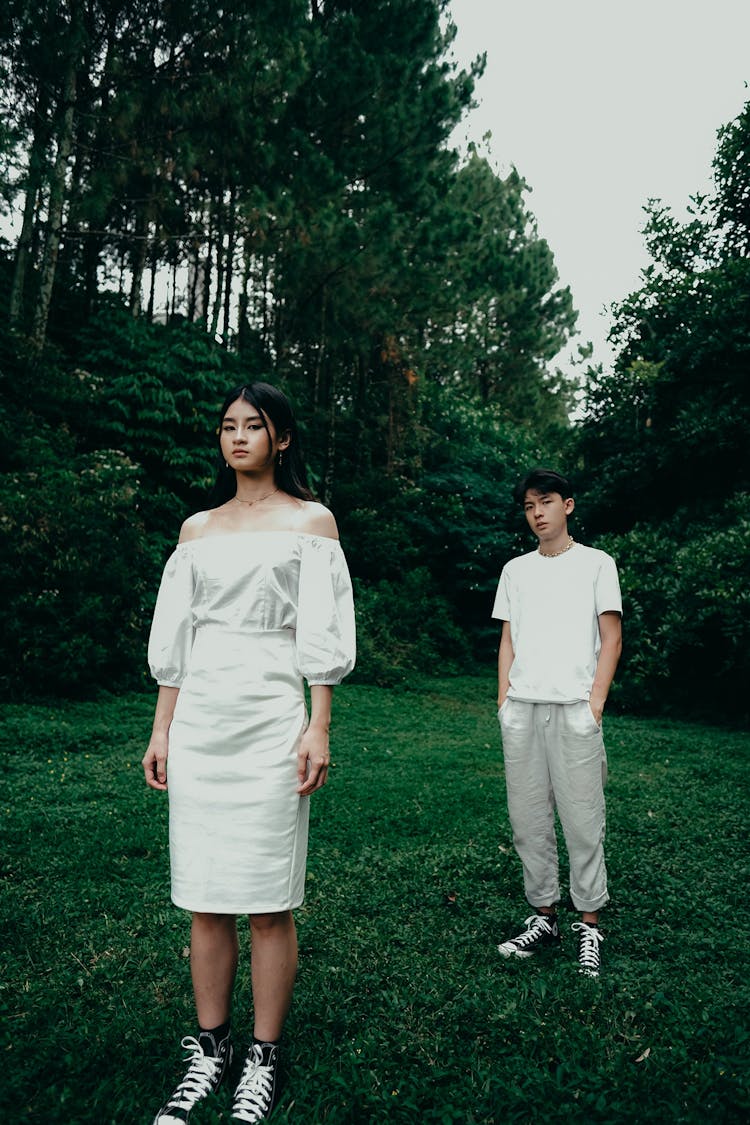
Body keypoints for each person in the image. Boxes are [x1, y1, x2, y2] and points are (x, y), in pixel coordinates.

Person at [142, 382, 356, 1124]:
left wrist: (317, 723)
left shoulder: (312, 522)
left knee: (267, 898)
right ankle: (209, 1049)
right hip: (202, 718)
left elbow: (323, 636)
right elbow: (176, 641)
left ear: (282, 438)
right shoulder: (196, 529)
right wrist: (163, 728)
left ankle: (261, 1058)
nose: (238, 437)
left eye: (253, 426)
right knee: (204, 895)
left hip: (272, 715)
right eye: (228, 426)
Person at [492, 468, 622, 977]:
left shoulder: (596, 564)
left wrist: (594, 705)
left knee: (582, 817)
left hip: (574, 709)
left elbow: (610, 637)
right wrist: (504, 699)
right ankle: (543, 914)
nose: (537, 513)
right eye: (528, 506)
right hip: (522, 708)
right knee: (527, 820)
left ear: (567, 505)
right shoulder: (515, 571)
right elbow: (508, 638)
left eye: (545, 502)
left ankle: (588, 922)